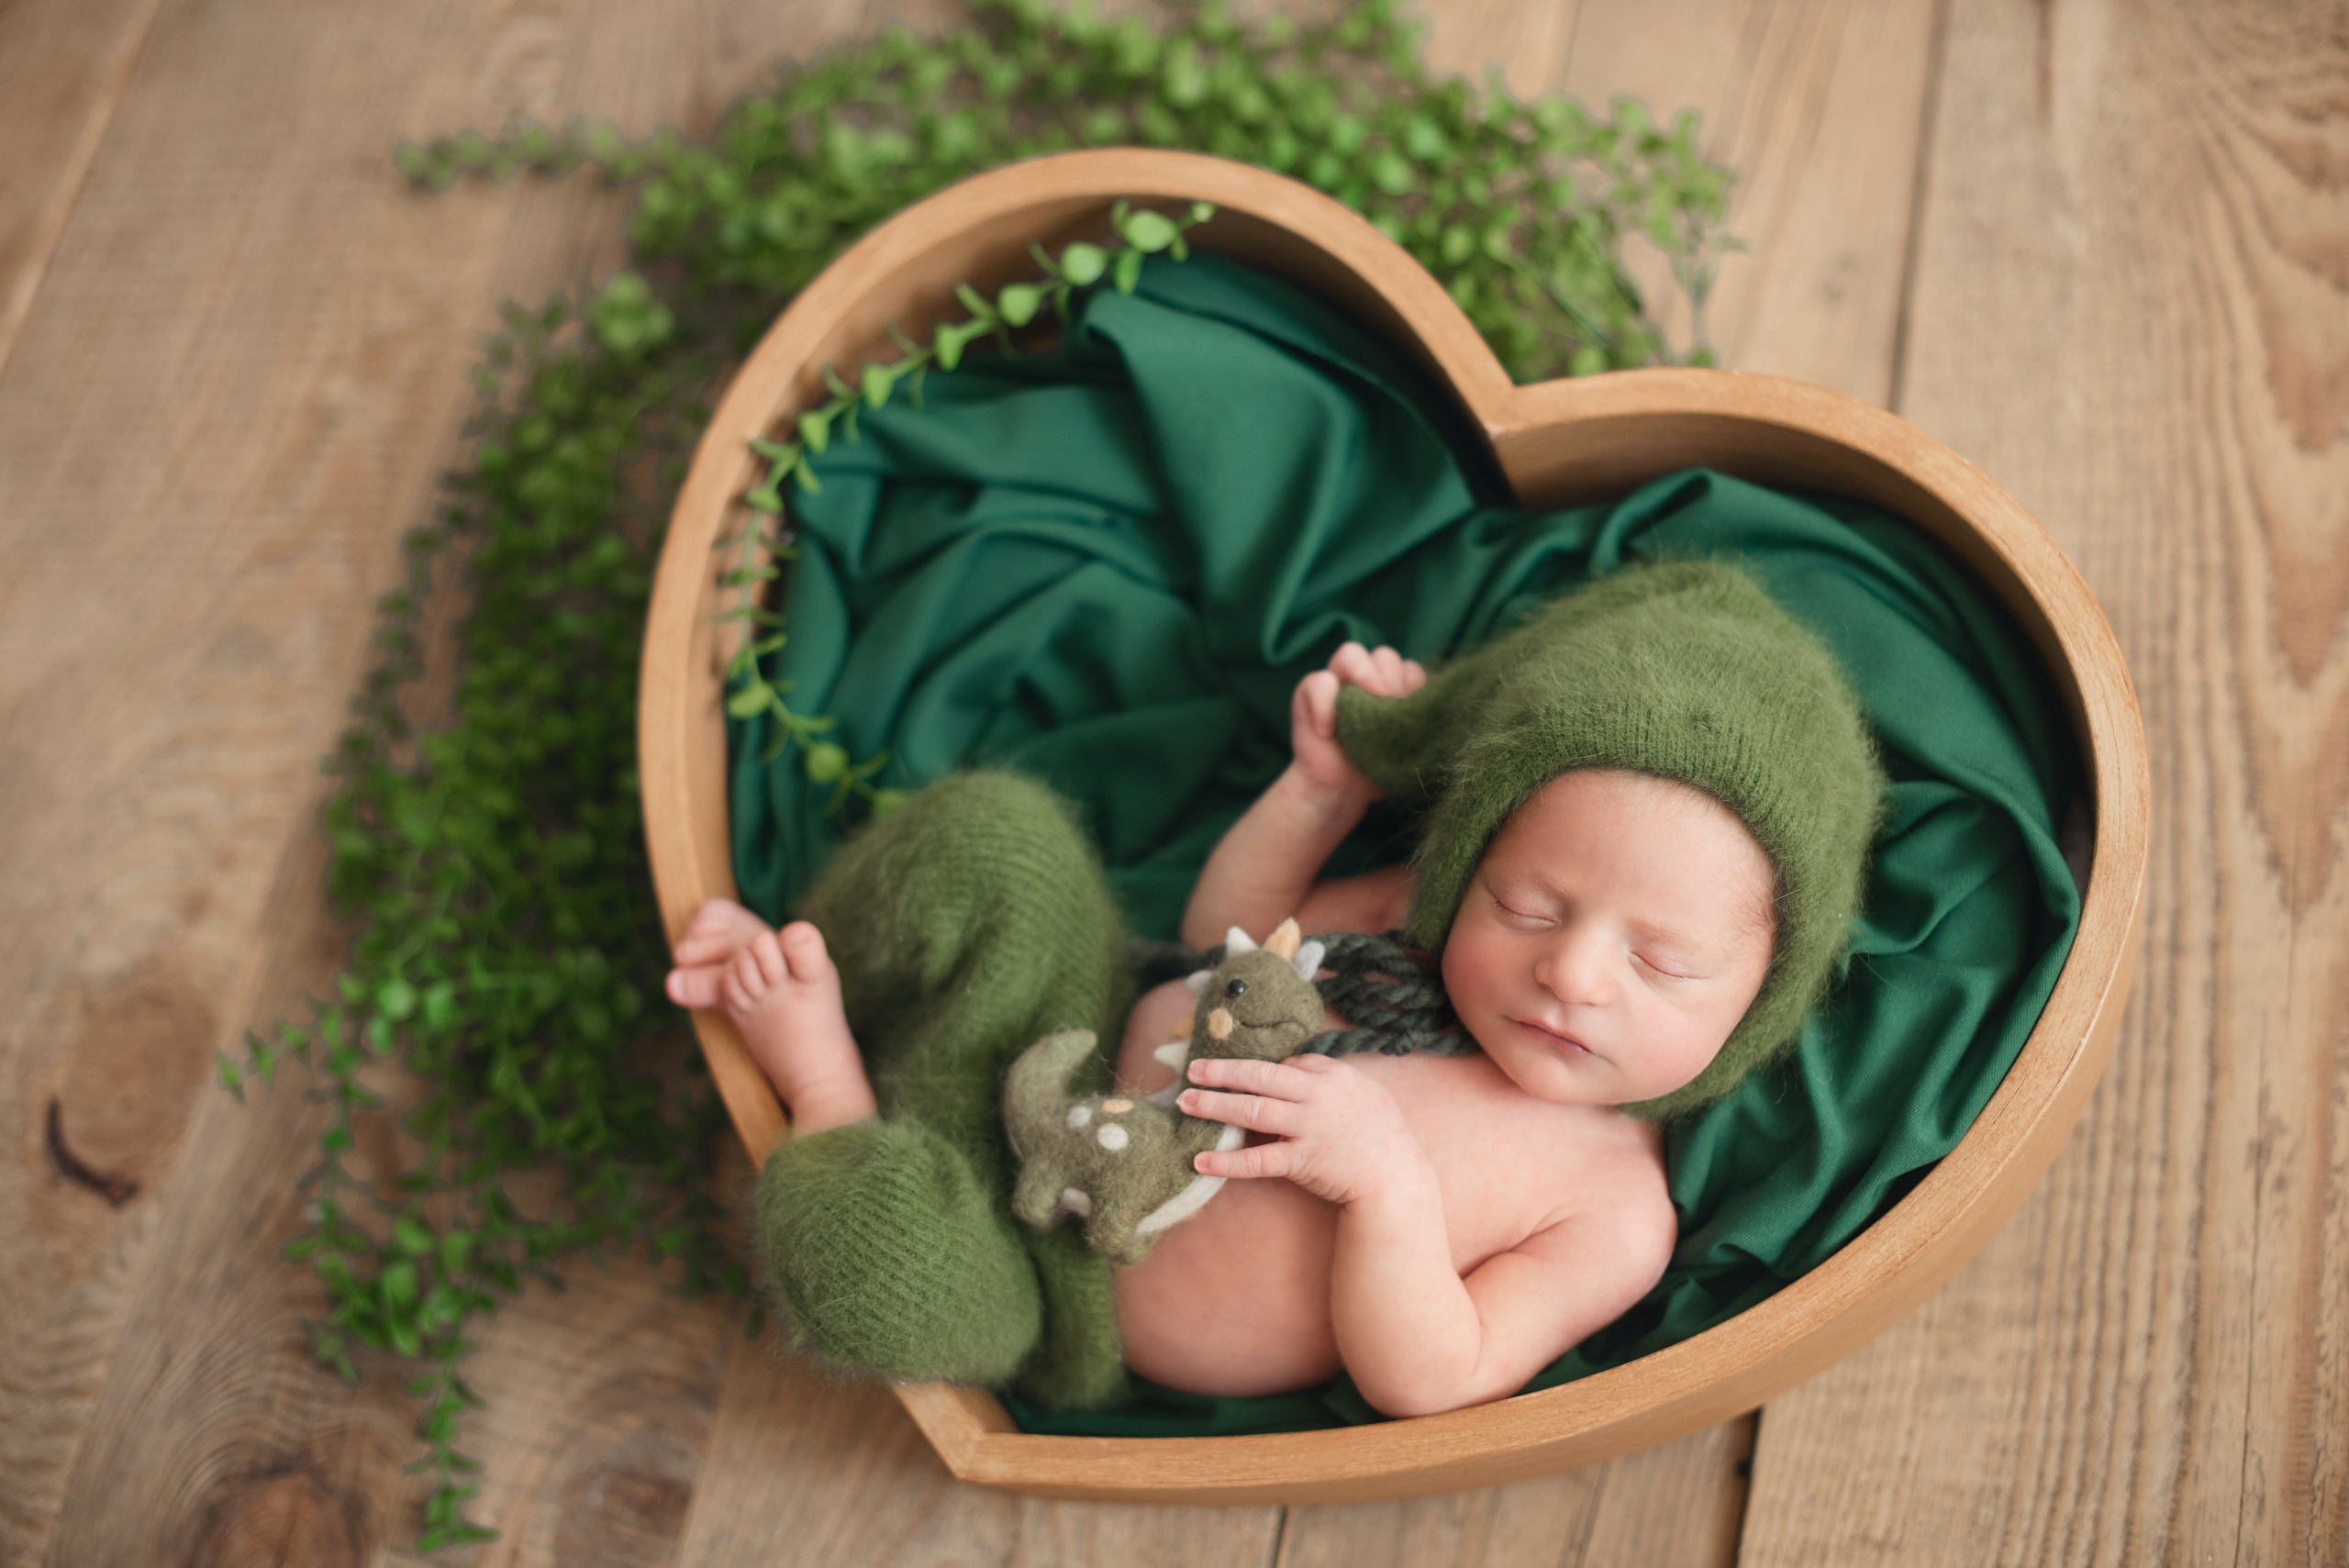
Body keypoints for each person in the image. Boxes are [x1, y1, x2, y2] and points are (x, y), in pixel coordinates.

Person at [665, 560, 1884, 1416]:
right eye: (1527, 904)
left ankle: (819, 1076)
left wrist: (1386, 1183)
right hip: (1063, 1041)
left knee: (889, 1278)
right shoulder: (1416, 921)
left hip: (1052, 1278)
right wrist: (1317, 795)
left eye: (1659, 960)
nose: (1566, 967)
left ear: (1762, 999)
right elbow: (1219, 939)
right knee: (998, 839)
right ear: (1473, 863)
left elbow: (1436, 1374)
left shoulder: (1610, 1207)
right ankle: (801, 954)